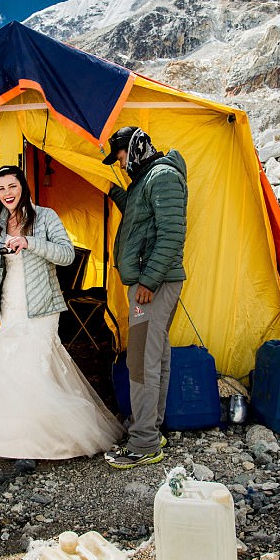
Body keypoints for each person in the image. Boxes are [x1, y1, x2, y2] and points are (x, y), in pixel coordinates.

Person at [0, 165, 124, 459]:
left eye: (12, 186)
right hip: (9, 307)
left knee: (34, 368)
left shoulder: (45, 216)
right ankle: (14, 441)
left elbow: (67, 255)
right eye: (1, 189)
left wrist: (29, 242)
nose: (7, 193)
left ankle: (40, 443)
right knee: (12, 370)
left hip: (41, 307)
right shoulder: (0, 223)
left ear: (24, 187)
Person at [100, 126, 188, 469]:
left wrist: (148, 281)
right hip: (151, 283)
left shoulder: (163, 176)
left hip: (154, 285)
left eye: (120, 157)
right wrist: (112, 191)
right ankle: (152, 428)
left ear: (134, 148)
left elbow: (171, 234)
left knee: (140, 363)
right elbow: (140, 216)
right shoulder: (147, 179)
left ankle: (144, 443)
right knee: (156, 354)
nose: (121, 165)